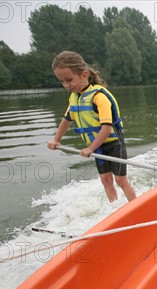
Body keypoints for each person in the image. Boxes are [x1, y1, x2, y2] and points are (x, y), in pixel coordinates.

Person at [48, 51, 136, 202]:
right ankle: (115, 209)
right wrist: (56, 139)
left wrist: (90, 148)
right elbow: (66, 120)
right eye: (62, 81)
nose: (66, 85)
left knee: (121, 180)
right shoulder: (74, 98)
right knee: (106, 181)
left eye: (69, 80)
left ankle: (135, 207)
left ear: (84, 75)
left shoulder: (99, 97)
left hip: (114, 144)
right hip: (97, 146)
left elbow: (107, 128)